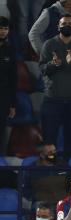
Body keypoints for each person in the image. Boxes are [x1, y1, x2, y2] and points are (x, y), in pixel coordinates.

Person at [38, 14, 71, 159]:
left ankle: (70, 175)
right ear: (58, 26)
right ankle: (50, 174)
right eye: (64, 23)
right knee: (49, 140)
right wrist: (53, 64)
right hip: (53, 99)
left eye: (70, 23)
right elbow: (42, 68)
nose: (67, 25)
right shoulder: (49, 44)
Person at [0, 16, 16, 149]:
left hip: (3, 97)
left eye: (6, 28)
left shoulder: (10, 50)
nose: (3, 31)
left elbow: (13, 78)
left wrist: (12, 104)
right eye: (0, 28)